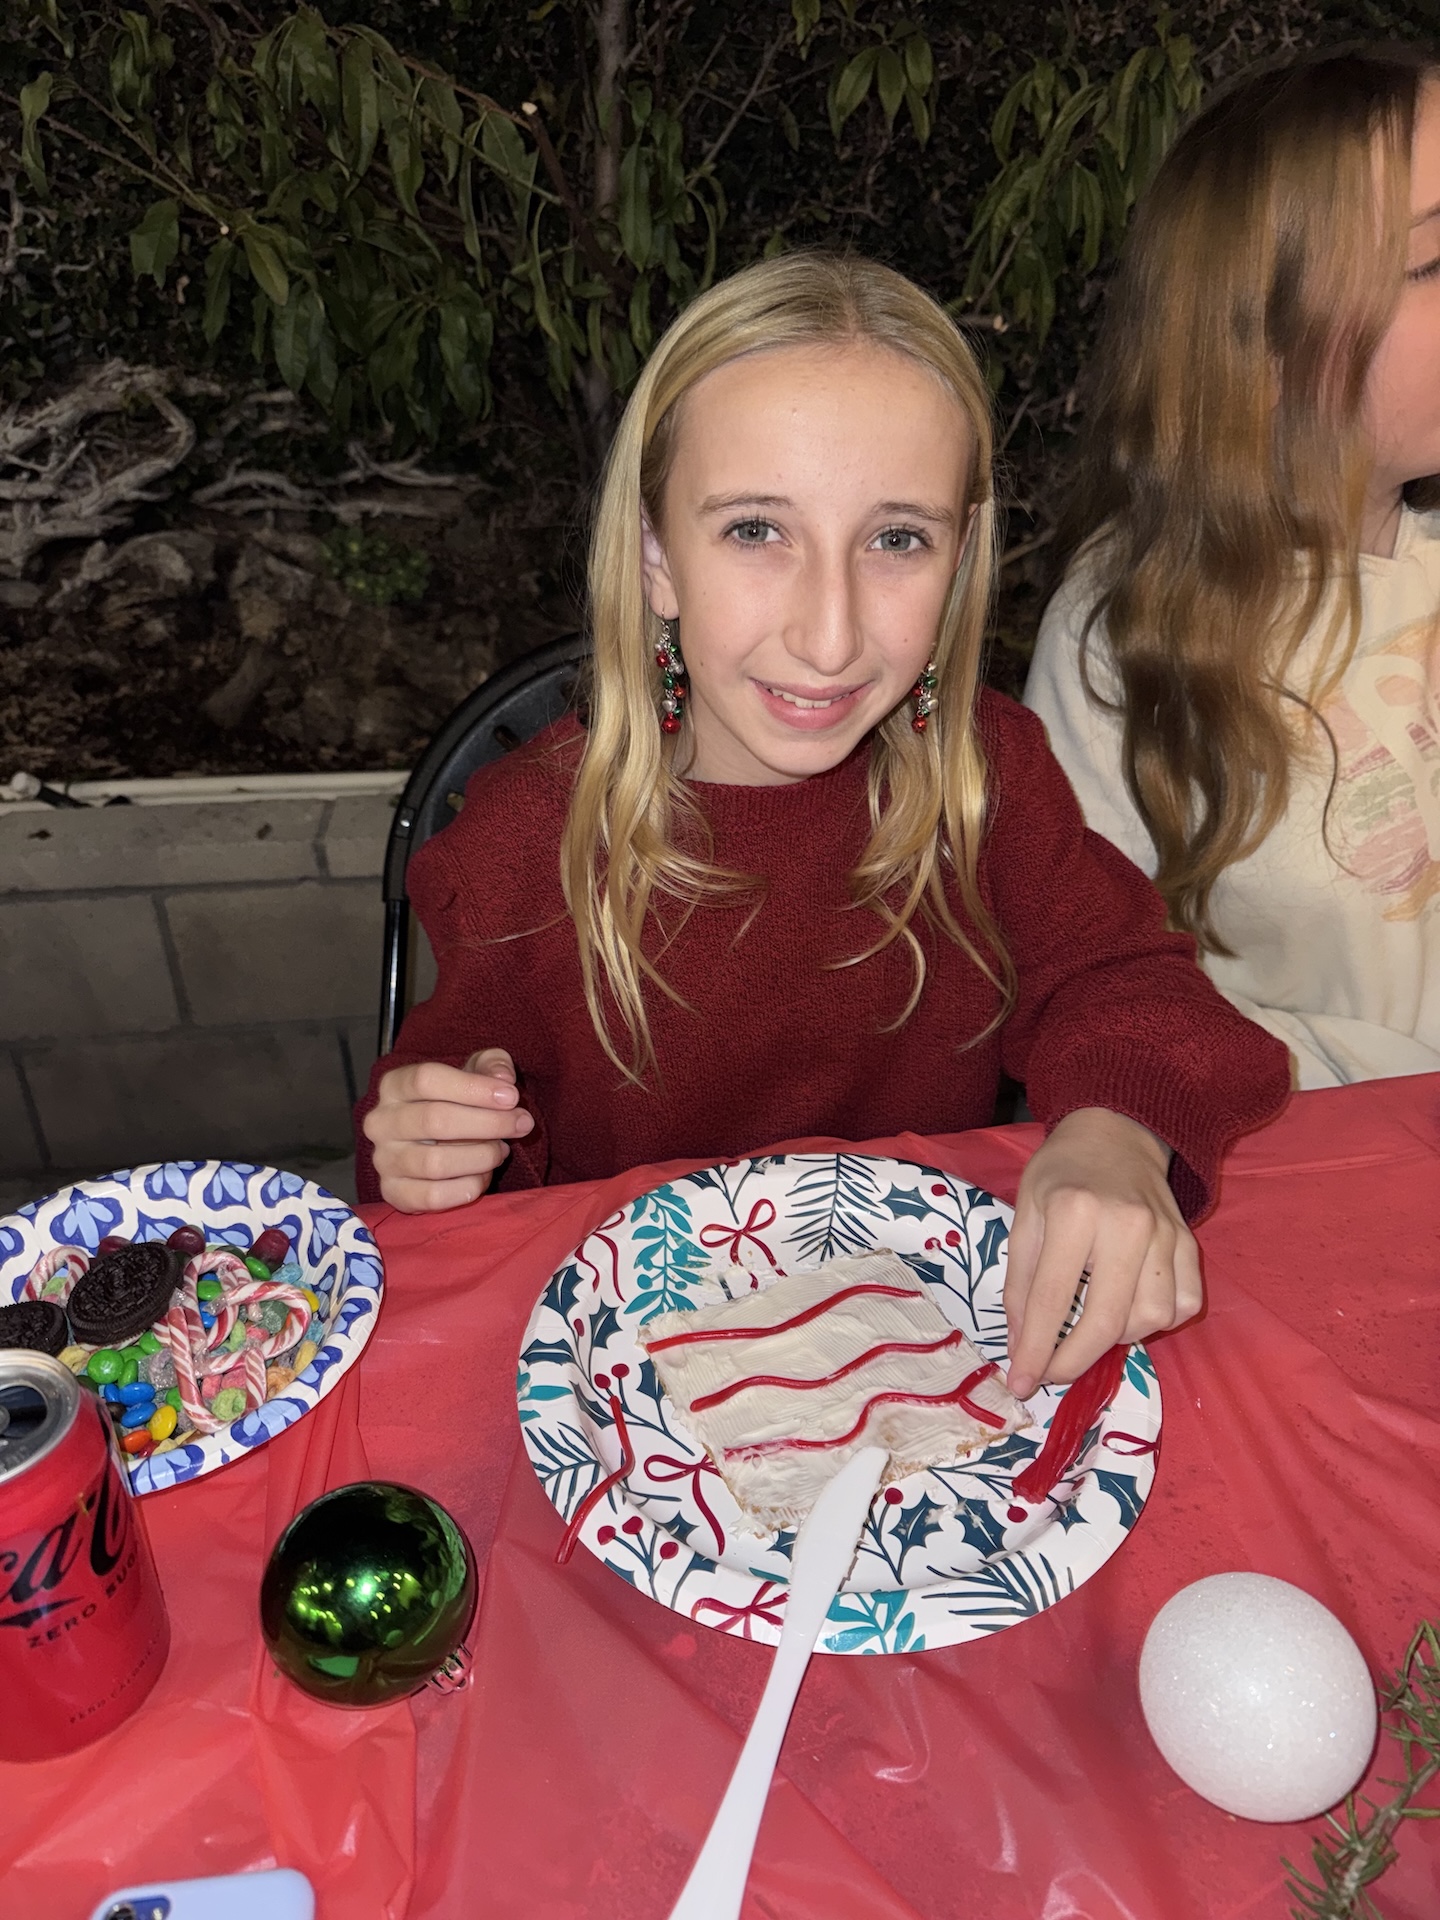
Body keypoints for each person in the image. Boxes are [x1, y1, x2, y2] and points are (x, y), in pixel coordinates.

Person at [358, 252, 1289, 1400]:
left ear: (959, 558)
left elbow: (1130, 983)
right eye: (757, 530)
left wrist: (1116, 1131)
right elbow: (435, 1164)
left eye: (897, 540)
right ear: (655, 557)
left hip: (916, 1354)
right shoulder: (522, 841)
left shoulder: (985, 781)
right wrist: (434, 1146)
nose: (831, 635)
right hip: (637, 1377)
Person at [1025, 46, 1440, 1090]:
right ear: (1264, 338)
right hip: (1305, 1165)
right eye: (1436, 264)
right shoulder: (1130, 628)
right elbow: (1082, 990)